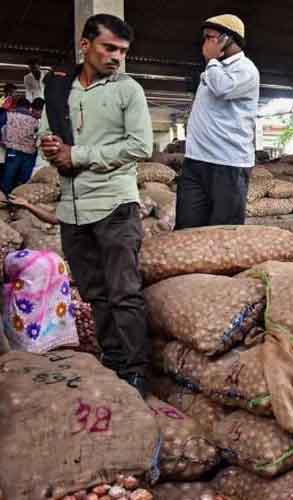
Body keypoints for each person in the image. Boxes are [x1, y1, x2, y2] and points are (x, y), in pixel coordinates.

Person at [38, 13, 153, 395]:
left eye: (122, 51)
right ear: (85, 46)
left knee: (124, 292)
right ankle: (113, 359)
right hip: (72, 208)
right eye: (109, 48)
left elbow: (140, 146)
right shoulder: (58, 90)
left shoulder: (128, 90)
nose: (116, 57)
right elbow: (46, 132)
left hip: (114, 204)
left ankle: (136, 371)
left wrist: (79, 154)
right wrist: (51, 147)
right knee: (95, 293)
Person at [177, 14, 260, 230]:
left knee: (223, 235)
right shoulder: (213, 70)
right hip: (196, 161)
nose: (204, 44)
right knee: (187, 229)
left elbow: (223, 89)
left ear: (227, 39)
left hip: (228, 164)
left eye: (209, 37)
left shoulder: (246, 69)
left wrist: (212, 60)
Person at [2, 97, 40, 195]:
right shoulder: (35, 120)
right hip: (29, 154)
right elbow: (37, 137)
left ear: (17, 105)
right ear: (29, 107)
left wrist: (3, 141)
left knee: (8, 176)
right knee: (24, 179)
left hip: (12, 151)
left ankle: (4, 201)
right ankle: (19, 200)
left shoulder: (8, 115)